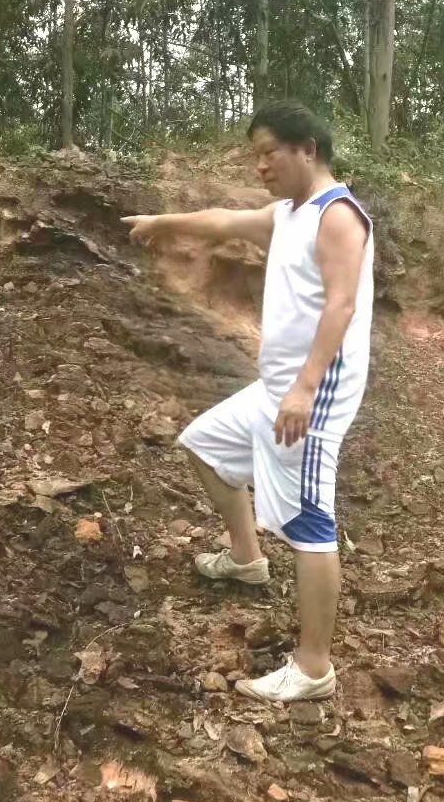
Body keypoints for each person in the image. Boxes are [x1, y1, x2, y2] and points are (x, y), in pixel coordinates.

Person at [122, 100, 373, 703]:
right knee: (203, 446)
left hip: (313, 394)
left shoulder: (337, 217)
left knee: (310, 523)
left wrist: (304, 389)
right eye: (255, 155)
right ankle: (245, 559)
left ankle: (313, 667)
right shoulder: (288, 214)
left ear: (307, 149)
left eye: (269, 153)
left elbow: (342, 306)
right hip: (274, 387)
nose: (260, 166)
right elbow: (223, 222)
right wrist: (162, 221)